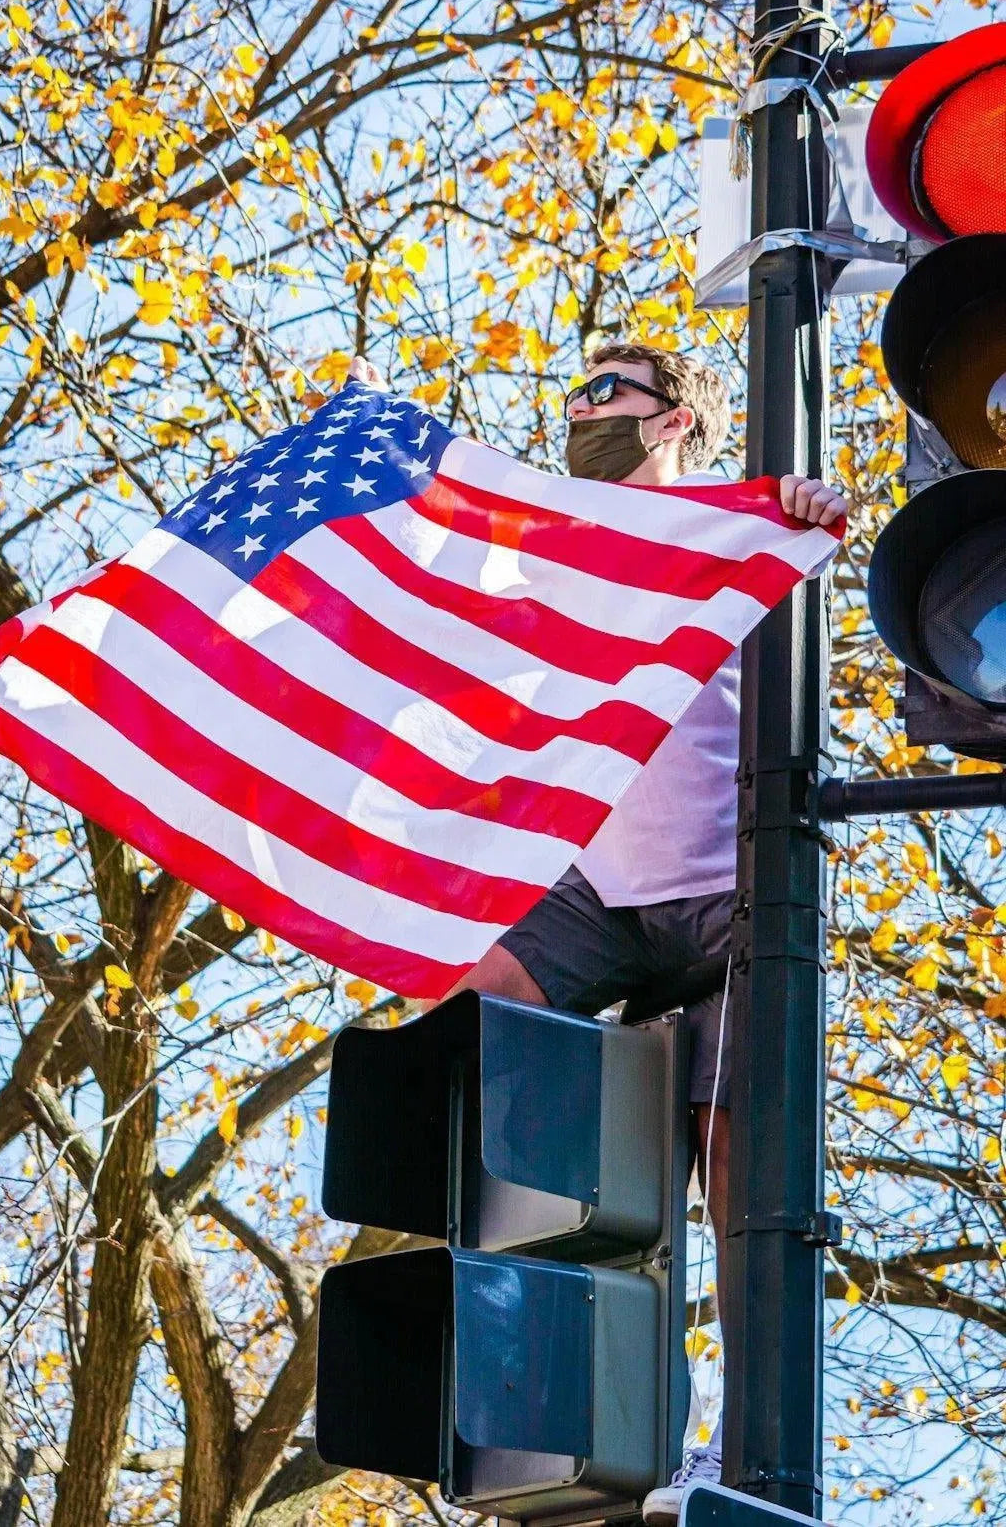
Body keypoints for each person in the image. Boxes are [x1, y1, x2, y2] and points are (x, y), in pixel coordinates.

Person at [346, 343, 846, 1523]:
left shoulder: (738, 528)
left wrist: (811, 512)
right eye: (572, 391)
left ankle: (732, 1449)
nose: (580, 409)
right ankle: (562, 1409)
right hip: (597, 897)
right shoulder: (555, 543)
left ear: (674, 417)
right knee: (478, 1024)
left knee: (737, 1173)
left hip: (728, 894)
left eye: (606, 390)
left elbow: (803, 536)